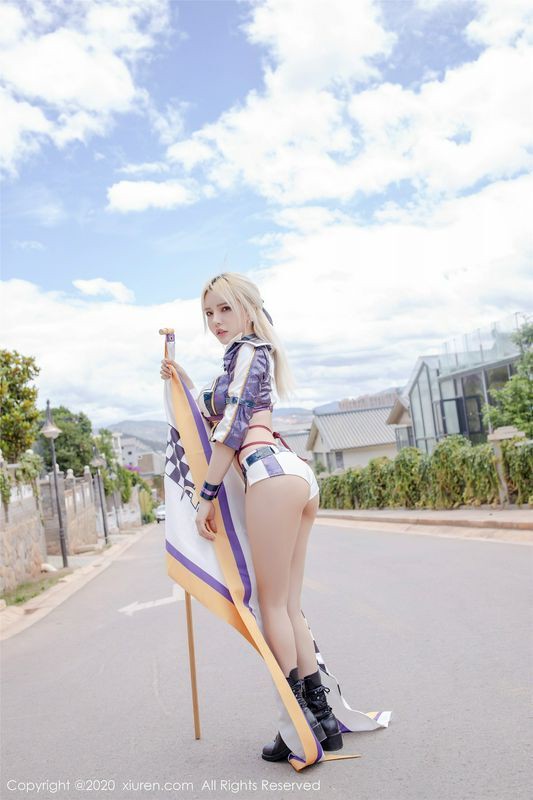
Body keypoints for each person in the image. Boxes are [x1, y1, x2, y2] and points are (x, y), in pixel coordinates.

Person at [160, 271, 342, 761]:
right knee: (288, 606)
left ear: (248, 307)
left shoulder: (247, 351)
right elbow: (216, 407)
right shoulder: (249, 355)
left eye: (225, 308)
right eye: (208, 313)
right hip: (293, 472)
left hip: (267, 470)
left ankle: (295, 727)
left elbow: (232, 427)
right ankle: (322, 719)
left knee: (271, 607)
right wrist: (182, 382)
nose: (216, 320)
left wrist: (206, 494)